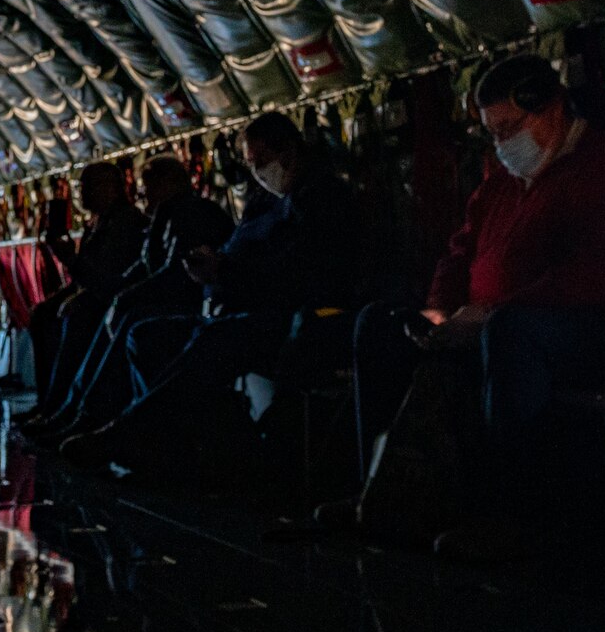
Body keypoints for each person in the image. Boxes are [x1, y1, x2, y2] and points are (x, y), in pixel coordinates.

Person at [329, 53, 605, 556]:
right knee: (380, 326)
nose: (501, 142)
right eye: (492, 132)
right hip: (495, 323)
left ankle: (512, 515)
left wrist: (490, 315)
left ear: (552, 109)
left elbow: (597, 276)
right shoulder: (501, 184)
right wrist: (439, 311)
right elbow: (459, 253)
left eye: (510, 127)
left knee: (512, 333)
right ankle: (384, 491)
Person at [58, 114, 358, 470]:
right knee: (144, 334)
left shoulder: (323, 199)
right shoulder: (264, 202)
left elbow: (300, 272)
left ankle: (124, 437)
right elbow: (234, 248)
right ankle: (161, 447)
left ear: (290, 151)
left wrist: (226, 270)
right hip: (233, 305)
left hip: (292, 317)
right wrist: (213, 265)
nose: (258, 172)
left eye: (261, 162)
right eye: (252, 164)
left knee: (210, 341)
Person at [22, 156, 234, 441]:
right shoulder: (162, 219)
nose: (141, 194)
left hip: (187, 306)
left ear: (169, 184)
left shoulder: (185, 215)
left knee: (115, 317)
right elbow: (130, 278)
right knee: (108, 309)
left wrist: (122, 297)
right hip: (161, 301)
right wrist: (116, 293)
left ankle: (87, 415)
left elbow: (174, 274)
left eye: (147, 187)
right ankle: (71, 409)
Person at [23, 163, 148, 420]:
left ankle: (64, 407)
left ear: (111, 187)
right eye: (81, 187)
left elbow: (108, 279)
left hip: (112, 298)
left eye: (88, 187)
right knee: (43, 314)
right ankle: (48, 401)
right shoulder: (96, 224)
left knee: (76, 315)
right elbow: (82, 278)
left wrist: (71, 262)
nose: (83, 194)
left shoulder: (126, 222)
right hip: (92, 291)